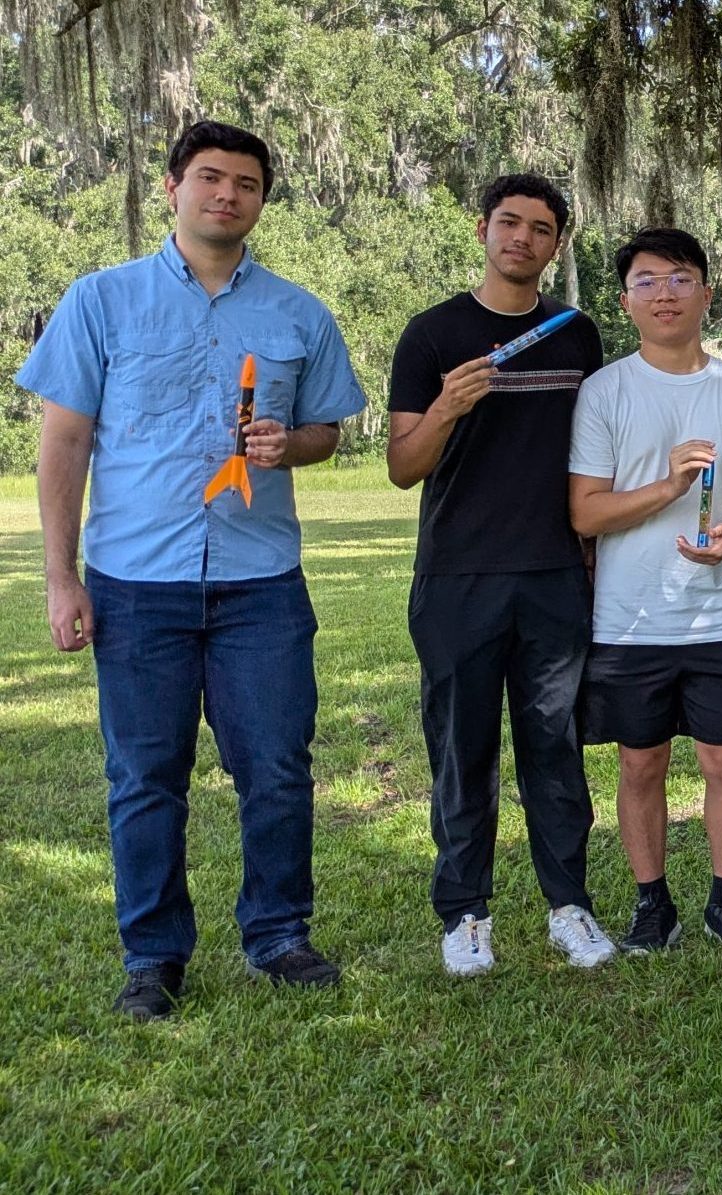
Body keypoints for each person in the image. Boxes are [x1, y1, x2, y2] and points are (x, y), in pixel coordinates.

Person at [22, 120, 365, 1019]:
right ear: (173, 186)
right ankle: (153, 956)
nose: (227, 194)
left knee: (277, 768)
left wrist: (291, 444)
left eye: (246, 183)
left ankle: (278, 934)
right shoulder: (101, 300)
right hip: (136, 583)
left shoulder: (298, 312)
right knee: (145, 778)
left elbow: (328, 430)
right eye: (210, 177)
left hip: (261, 585)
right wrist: (62, 578)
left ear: (261, 201)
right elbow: (64, 444)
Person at [387, 174, 616, 976]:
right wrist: (447, 406)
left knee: (555, 746)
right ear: (482, 228)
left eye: (540, 228)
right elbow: (402, 467)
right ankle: (465, 914)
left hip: (554, 571)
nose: (522, 237)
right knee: (463, 749)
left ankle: (569, 905)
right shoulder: (432, 334)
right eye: (509, 222)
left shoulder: (575, 333)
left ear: (556, 244)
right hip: (457, 575)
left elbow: (593, 453)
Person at [568, 228, 722, 956]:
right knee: (641, 763)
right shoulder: (604, 391)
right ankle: (651, 904)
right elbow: (585, 512)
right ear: (625, 300)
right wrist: (668, 487)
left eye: (680, 279)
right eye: (647, 281)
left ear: (706, 294)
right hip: (630, 619)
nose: (665, 294)